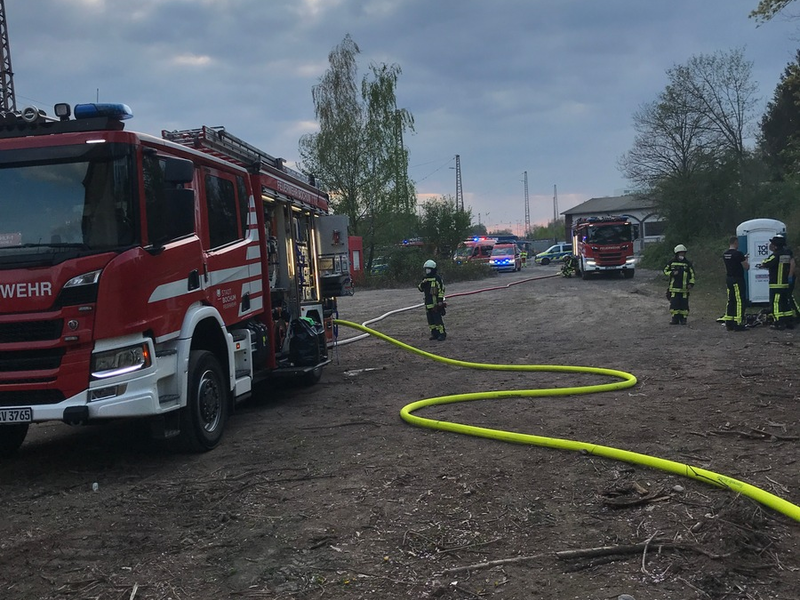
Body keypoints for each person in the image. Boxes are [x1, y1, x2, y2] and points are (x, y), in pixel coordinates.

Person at [760, 234, 796, 330]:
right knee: (785, 303)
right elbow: (792, 263)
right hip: (785, 283)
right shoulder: (787, 253)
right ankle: (788, 321)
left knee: (775, 303)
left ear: (775, 245)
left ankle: (778, 322)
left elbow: (766, 262)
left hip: (776, 284)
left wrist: (762, 263)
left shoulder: (776, 255)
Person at [722, 236, 749, 331]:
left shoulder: (725, 254)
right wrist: (746, 259)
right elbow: (746, 267)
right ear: (735, 242)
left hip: (729, 278)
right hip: (737, 279)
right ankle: (739, 322)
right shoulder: (738, 254)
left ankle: (729, 322)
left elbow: (733, 262)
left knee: (731, 300)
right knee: (740, 300)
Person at [663, 244, 695, 325]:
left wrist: (691, 284)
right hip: (674, 288)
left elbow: (692, 274)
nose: (682, 254)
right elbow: (665, 271)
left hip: (684, 289)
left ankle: (683, 319)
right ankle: (675, 319)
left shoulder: (687, 263)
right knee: (674, 304)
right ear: (677, 253)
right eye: (680, 253)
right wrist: (672, 273)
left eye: (683, 253)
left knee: (684, 304)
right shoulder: (671, 262)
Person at [418, 259, 447, 340]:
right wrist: (423, 284)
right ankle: (434, 334)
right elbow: (420, 288)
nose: (427, 271)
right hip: (428, 303)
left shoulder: (437, 279)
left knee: (437, 319)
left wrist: (440, 301)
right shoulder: (425, 279)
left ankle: (442, 334)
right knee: (430, 320)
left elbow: (441, 289)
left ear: (433, 269)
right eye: (426, 269)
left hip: (435, 303)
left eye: (428, 269)